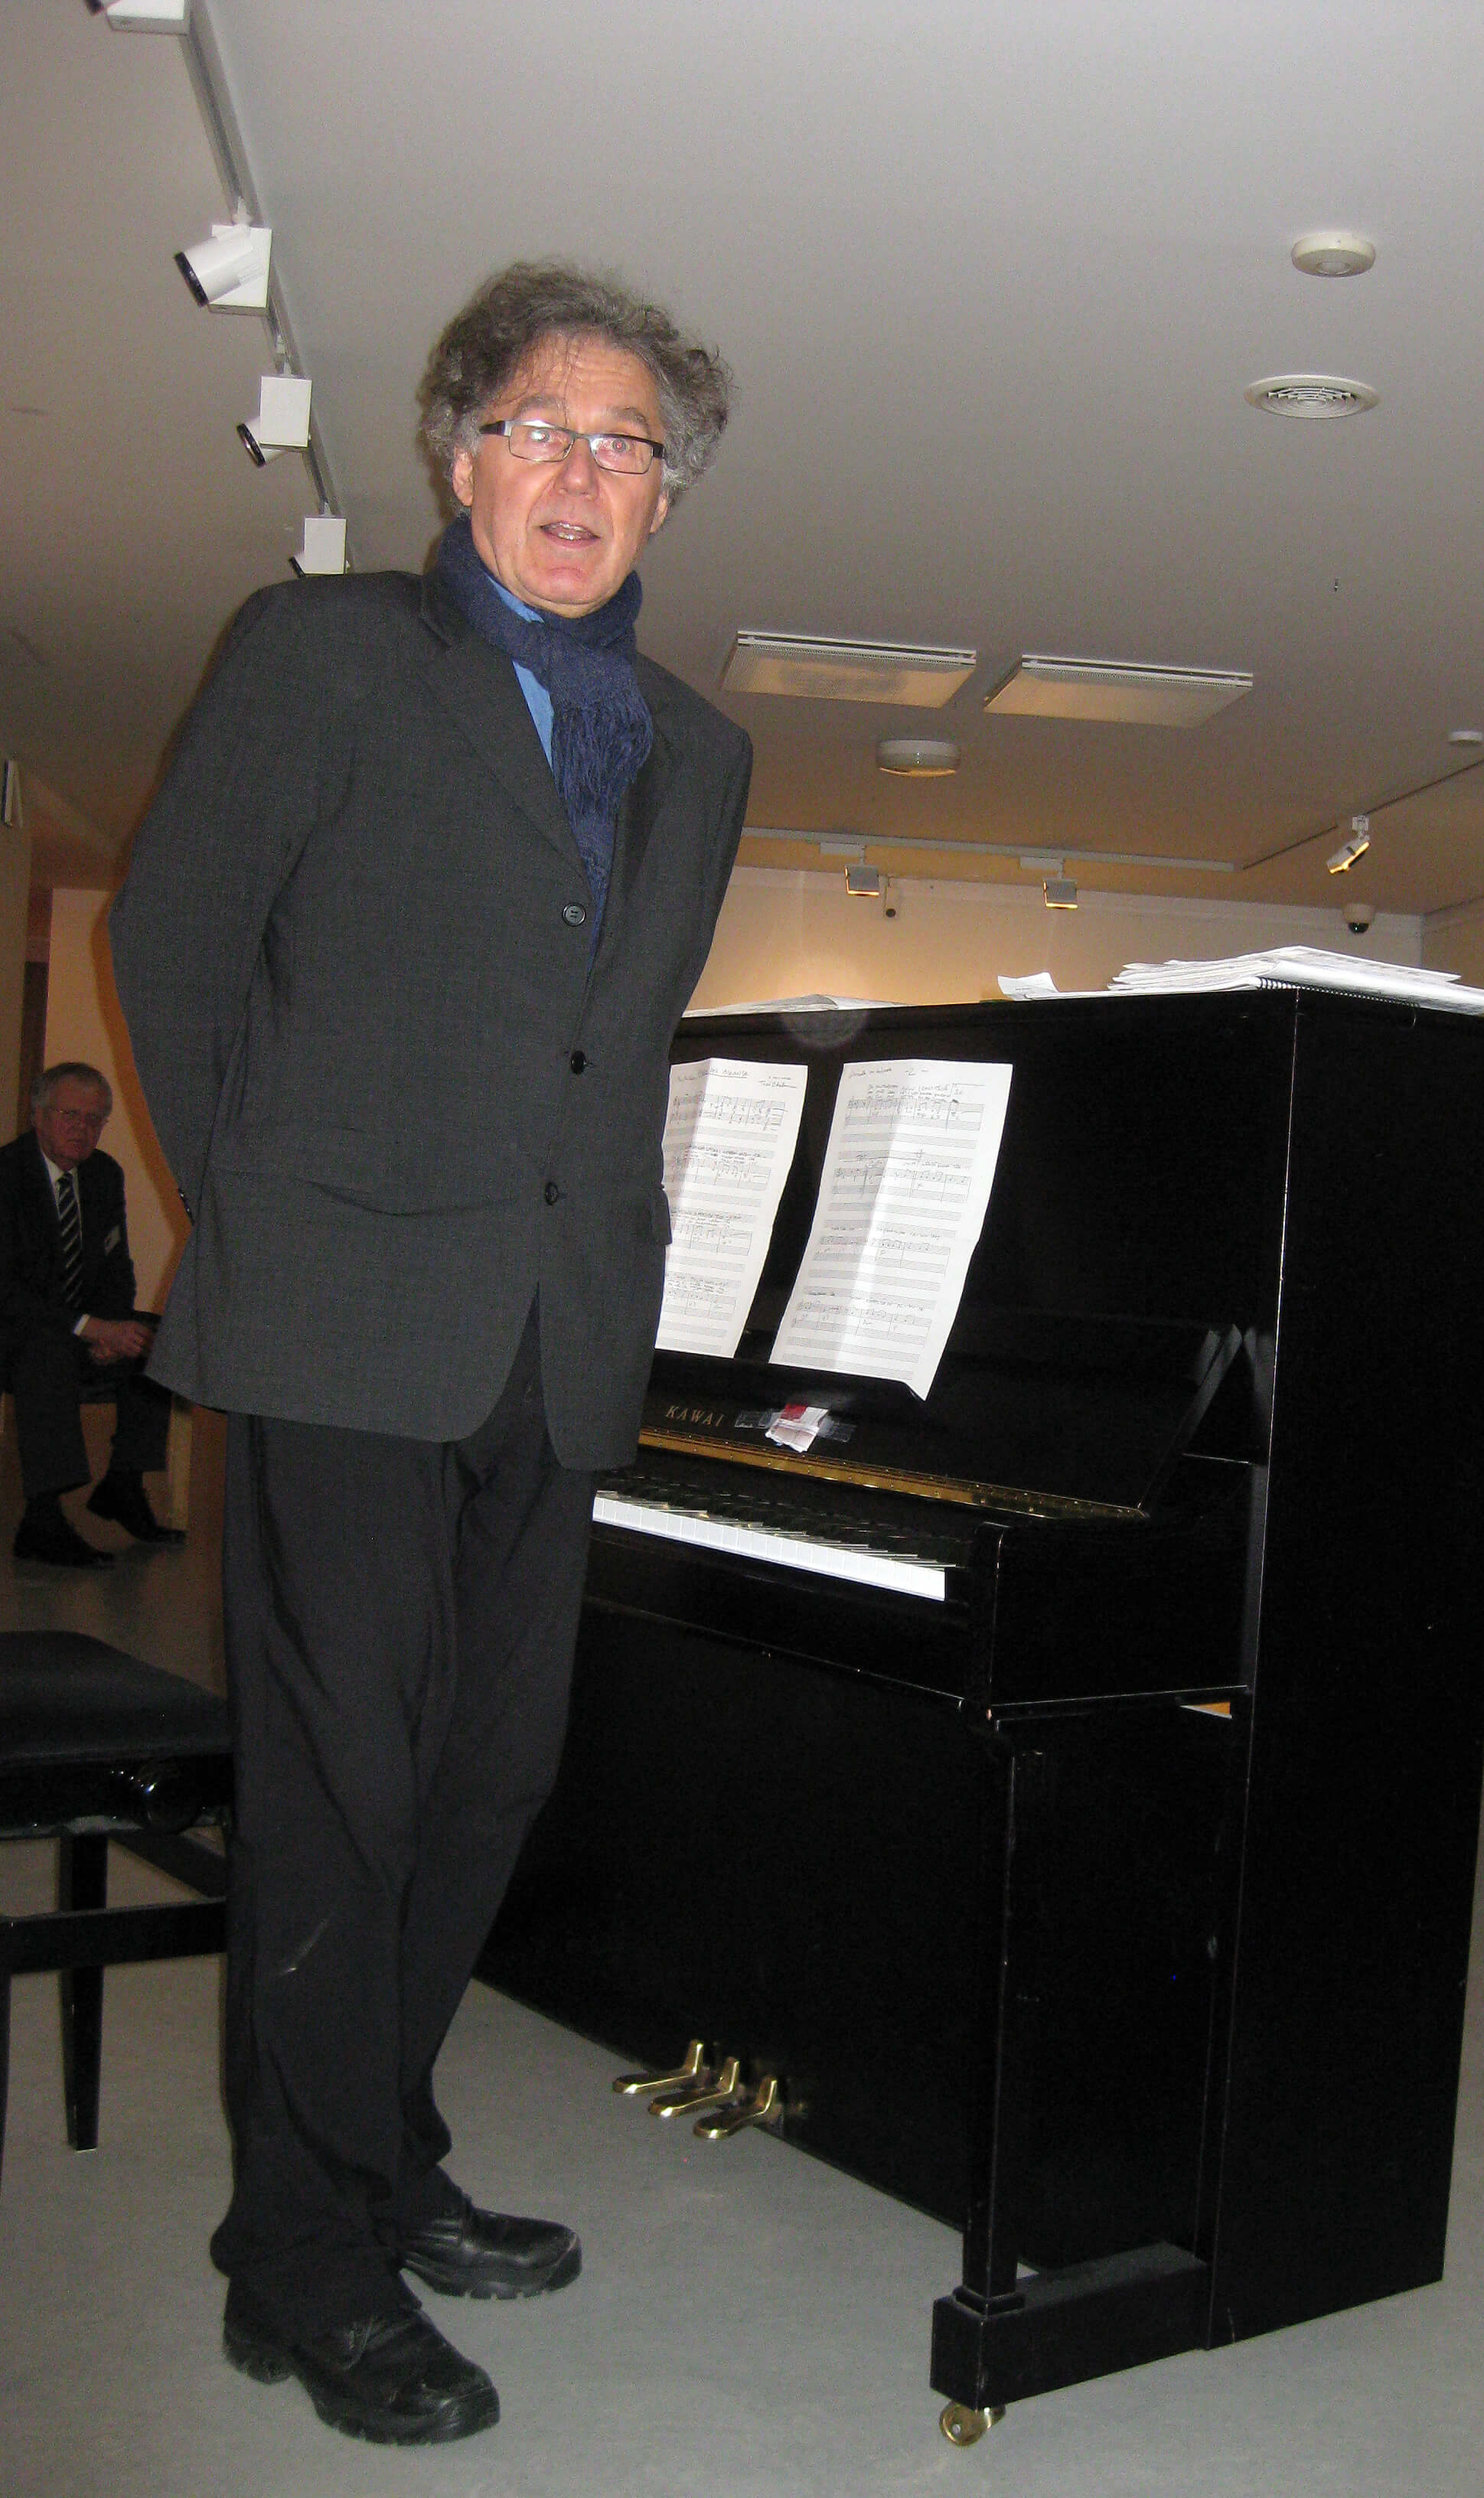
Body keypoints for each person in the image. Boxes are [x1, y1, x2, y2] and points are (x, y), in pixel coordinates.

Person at [109, 263, 751, 2449]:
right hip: (345, 1328)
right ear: (459, 457)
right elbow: (175, 940)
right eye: (538, 428)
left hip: (557, 1339)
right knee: (342, 1796)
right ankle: (298, 2261)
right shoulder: (327, 656)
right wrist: (273, 1220)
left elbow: (605, 1051)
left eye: (623, 443)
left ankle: (376, 2160)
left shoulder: (703, 753)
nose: (580, 472)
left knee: (486, 1783)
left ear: (663, 494)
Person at [0, 1061, 181, 1567]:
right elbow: (8, 1292)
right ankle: (42, 1519)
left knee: (153, 1339)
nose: (83, 1129)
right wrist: (89, 1328)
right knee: (47, 1351)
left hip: (77, 1327)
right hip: (14, 1332)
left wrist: (114, 1329)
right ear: (39, 1115)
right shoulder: (7, 1175)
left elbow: (116, 1267)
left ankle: (124, 1484)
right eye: (70, 1115)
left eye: (95, 1119)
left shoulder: (103, 1173)